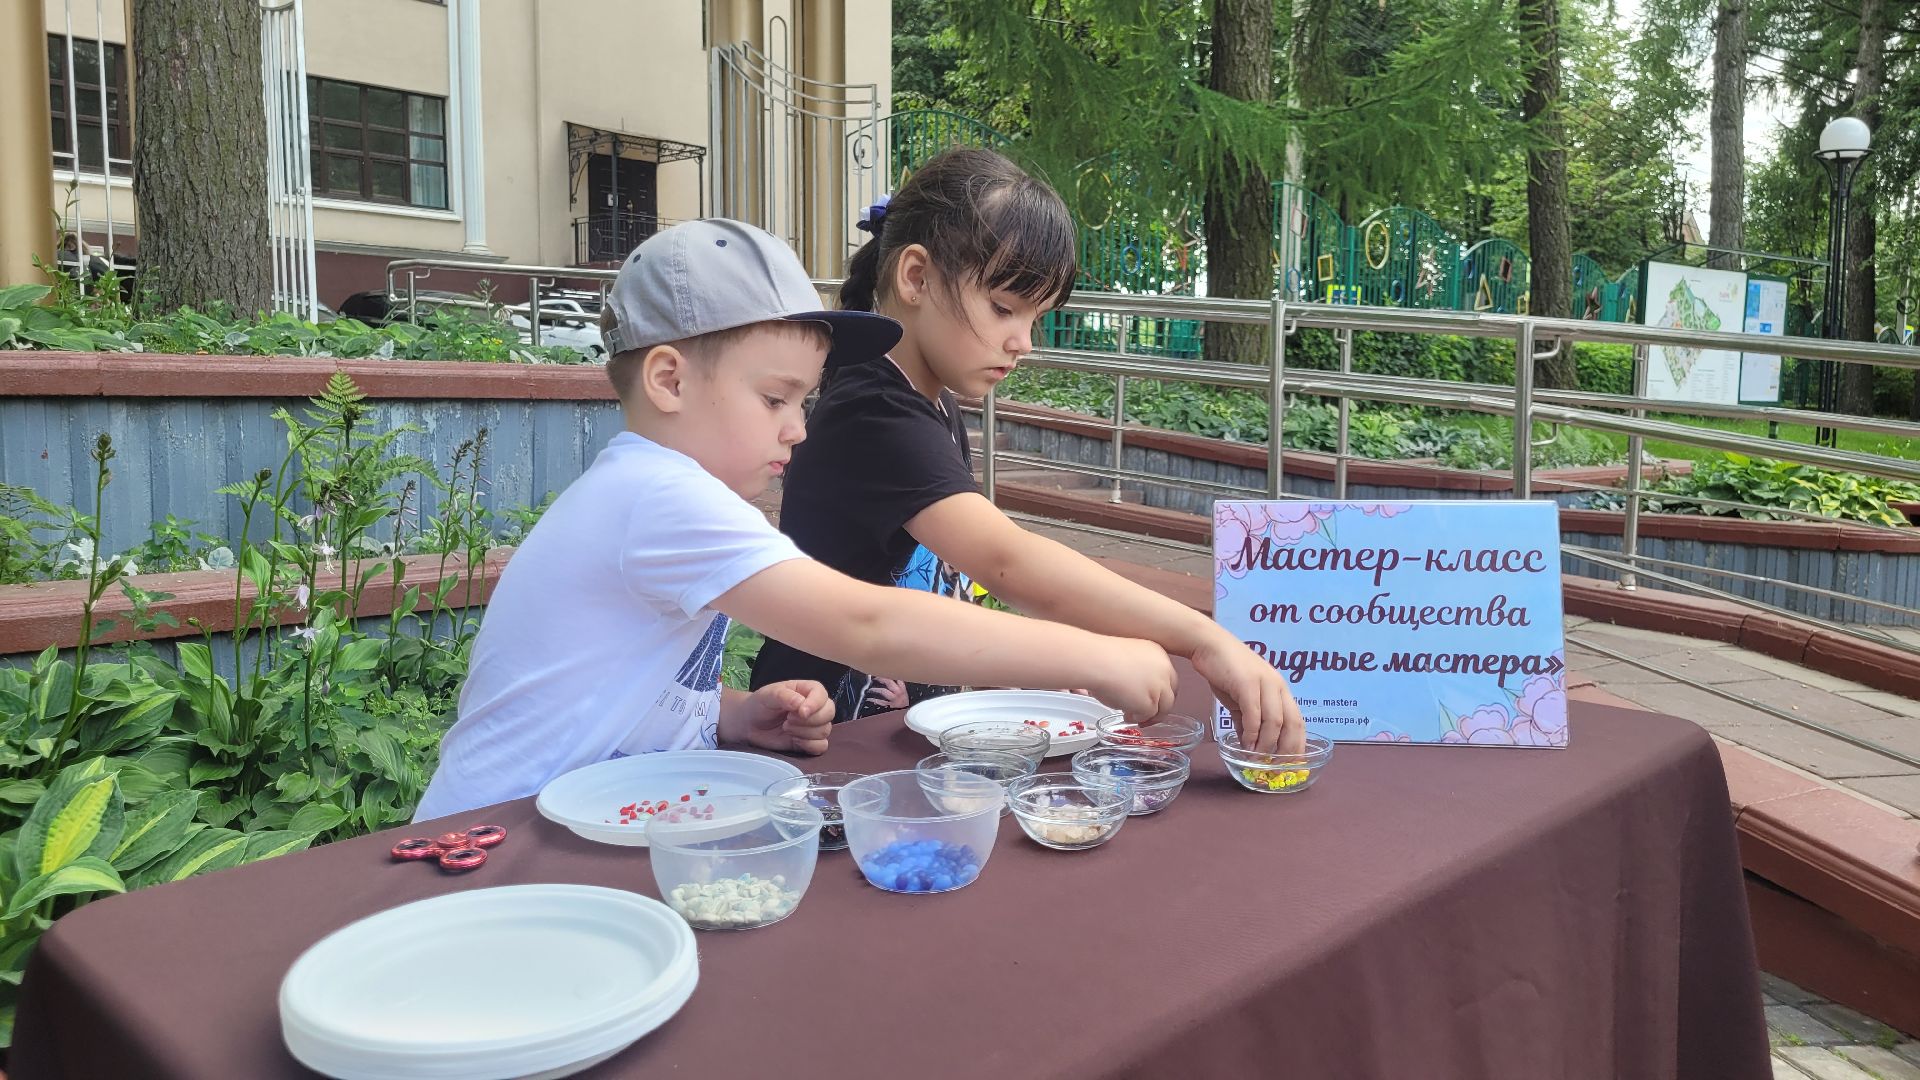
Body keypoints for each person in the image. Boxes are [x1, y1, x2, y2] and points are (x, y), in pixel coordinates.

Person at [414, 219, 1179, 821]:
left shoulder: (652, 493)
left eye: (803, 402)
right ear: (670, 380)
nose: (798, 429)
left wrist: (734, 714)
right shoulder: (661, 495)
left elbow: (600, 684)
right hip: (494, 841)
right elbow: (865, 623)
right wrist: (1095, 658)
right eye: (776, 399)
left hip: (562, 825)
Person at [749, 148, 1307, 754]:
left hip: (889, 726)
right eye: (1003, 308)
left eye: (1035, 316)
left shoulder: (924, 396)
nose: (1024, 342)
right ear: (915, 277)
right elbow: (1007, 562)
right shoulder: (874, 411)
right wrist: (1202, 639)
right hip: (826, 733)